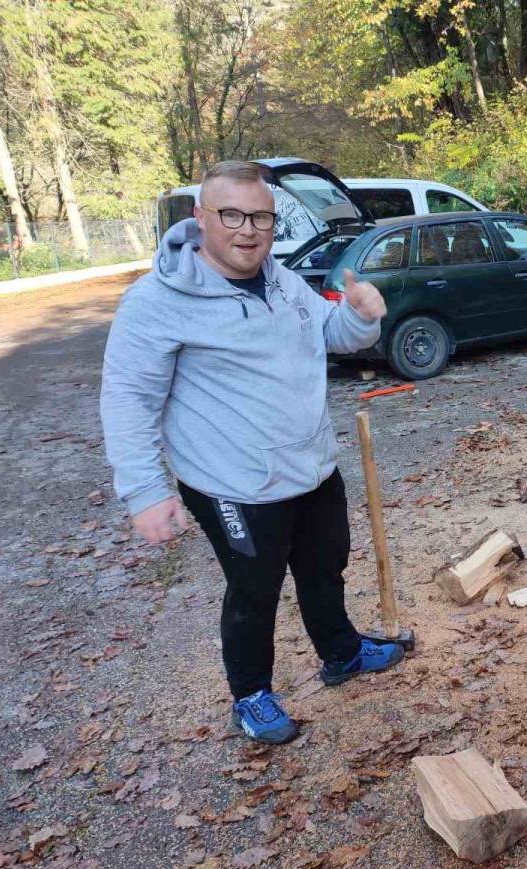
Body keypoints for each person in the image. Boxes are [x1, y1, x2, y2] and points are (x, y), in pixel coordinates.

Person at [100, 161, 401, 745]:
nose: (248, 230)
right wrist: (144, 491)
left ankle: (341, 652)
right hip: (233, 484)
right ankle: (252, 694)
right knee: (254, 590)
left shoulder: (281, 280)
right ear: (201, 218)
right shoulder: (156, 301)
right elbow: (127, 400)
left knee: (324, 568)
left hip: (311, 467)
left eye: (261, 217)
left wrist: (360, 315)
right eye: (232, 215)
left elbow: (331, 335)